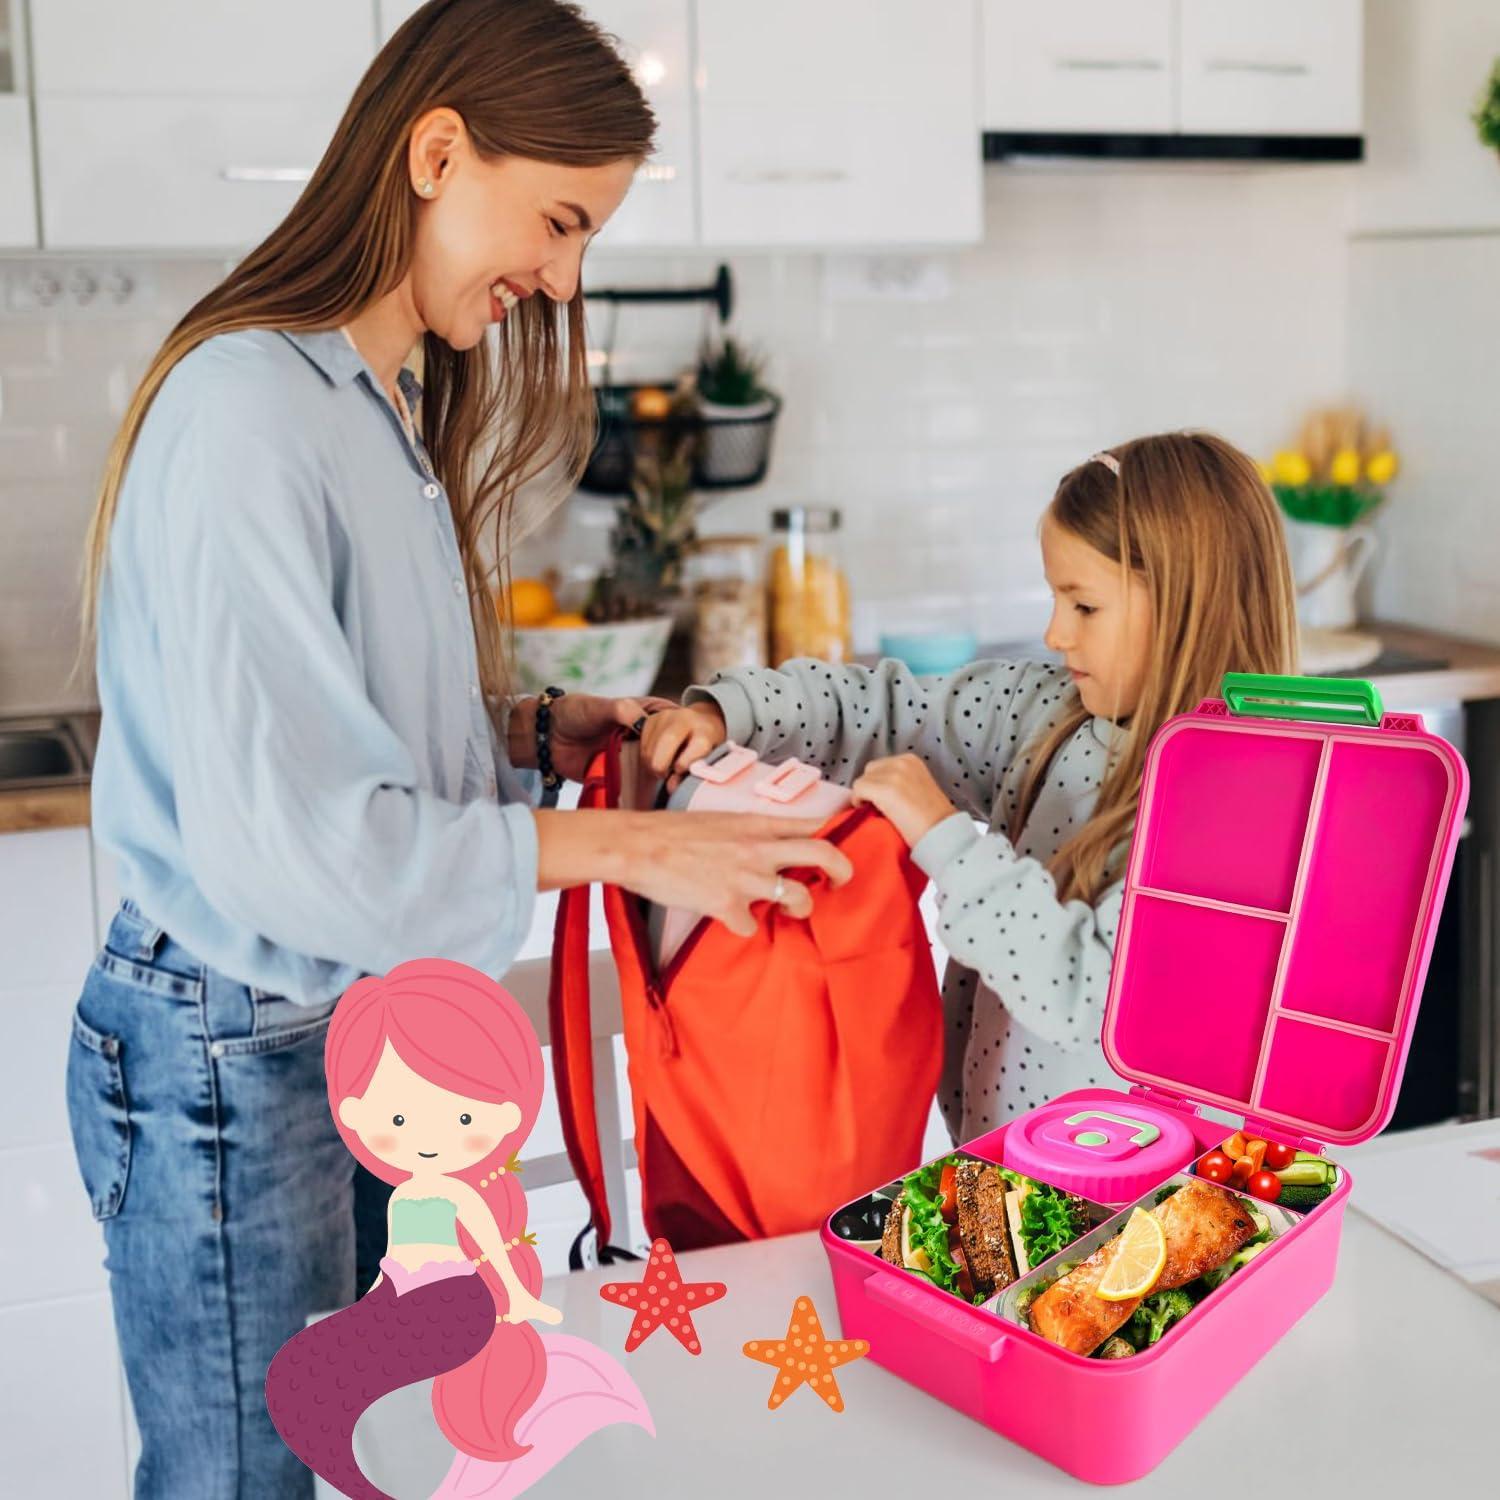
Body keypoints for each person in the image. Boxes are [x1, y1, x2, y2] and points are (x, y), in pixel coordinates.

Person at [65, 4, 848, 1496]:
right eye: (558, 222)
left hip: (320, 1035)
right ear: (437, 152)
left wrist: (533, 730)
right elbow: (296, 838)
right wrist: (629, 844)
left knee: (341, 1455)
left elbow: (336, 718)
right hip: (234, 1053)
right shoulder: (248, 412)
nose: (560, 278)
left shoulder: (373, 404)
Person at [643, 432, 1298, 1143]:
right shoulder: (1044, 710)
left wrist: (946, 842)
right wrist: (733, 710)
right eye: (1056, 599)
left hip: (1139, 1198)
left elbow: (1088, 991)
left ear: (1185, 608)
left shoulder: (1231, 805)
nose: (1055, 633)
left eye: (1084, 607)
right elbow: (881, 711)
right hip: (999, 1161)